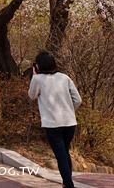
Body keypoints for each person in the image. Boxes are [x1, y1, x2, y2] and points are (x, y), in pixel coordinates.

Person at [28, 51, 82, 188]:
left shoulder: (37, 79)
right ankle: (66, 183)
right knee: (65, 152)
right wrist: (70, 111)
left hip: (52, 124)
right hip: (70, 123)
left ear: (38, 65)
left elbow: (32, 96)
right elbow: (78, 100)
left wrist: (34, 76)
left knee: (61, 155)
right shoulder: (64, 77)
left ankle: (69, 184)